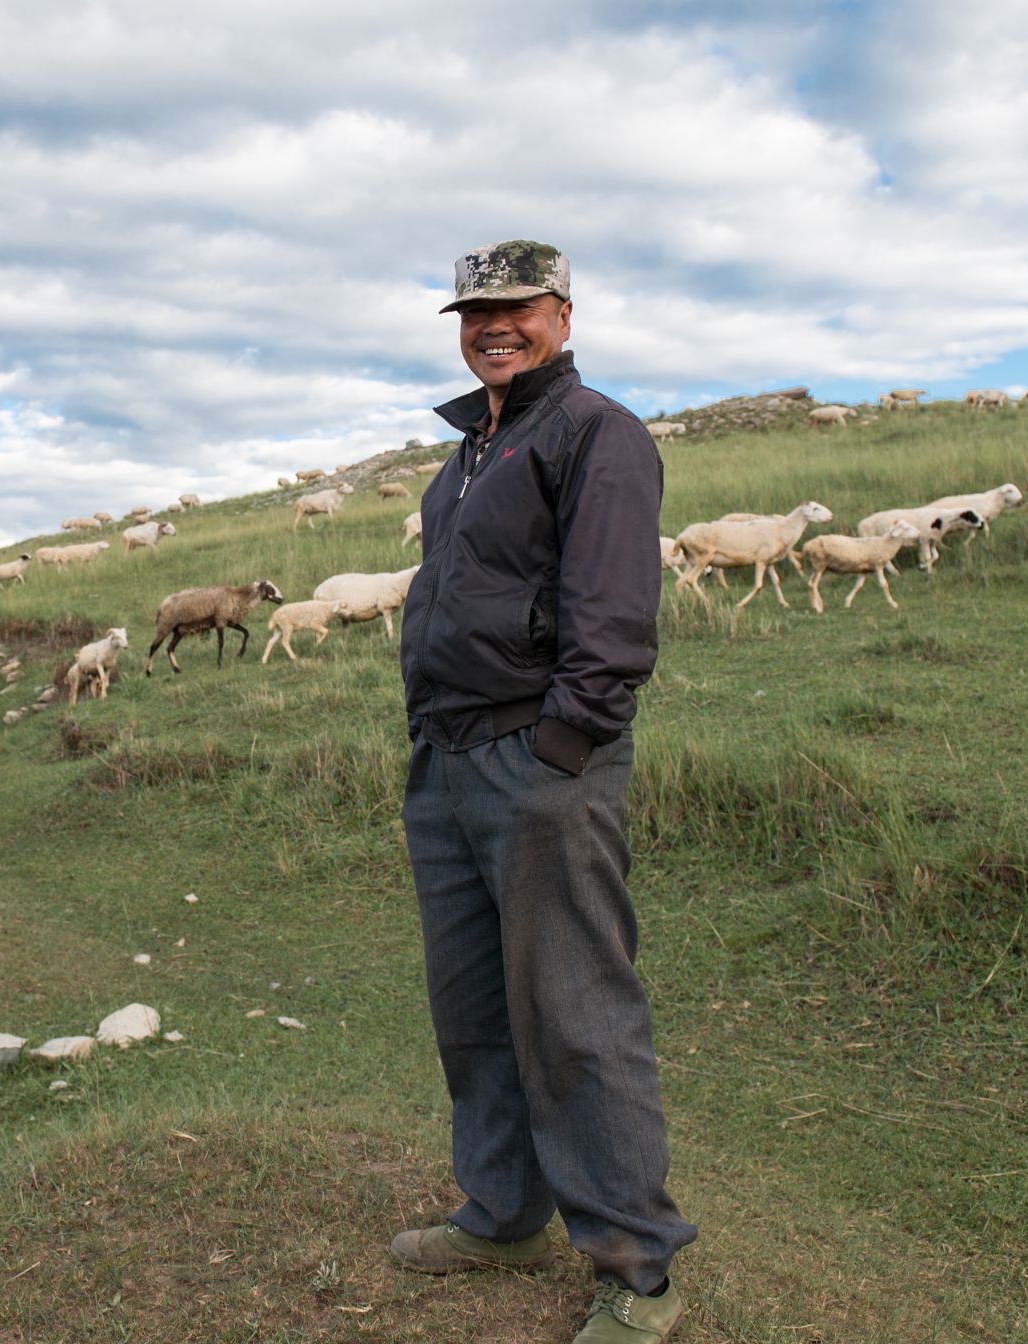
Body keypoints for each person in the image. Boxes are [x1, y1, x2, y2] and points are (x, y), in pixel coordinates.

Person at [392, 240, 698, 1343]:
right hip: (448, 763)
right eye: (475, 312)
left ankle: (636, 1272)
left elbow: (613, 613)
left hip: (537, 763)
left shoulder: (593, 433)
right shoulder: (469, 456)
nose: (494, 326)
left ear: (562, 314)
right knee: (473, 1011)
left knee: (574, 1013)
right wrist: (430, 741)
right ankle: (503, 1214)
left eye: (517, 307)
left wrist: (559, 750)